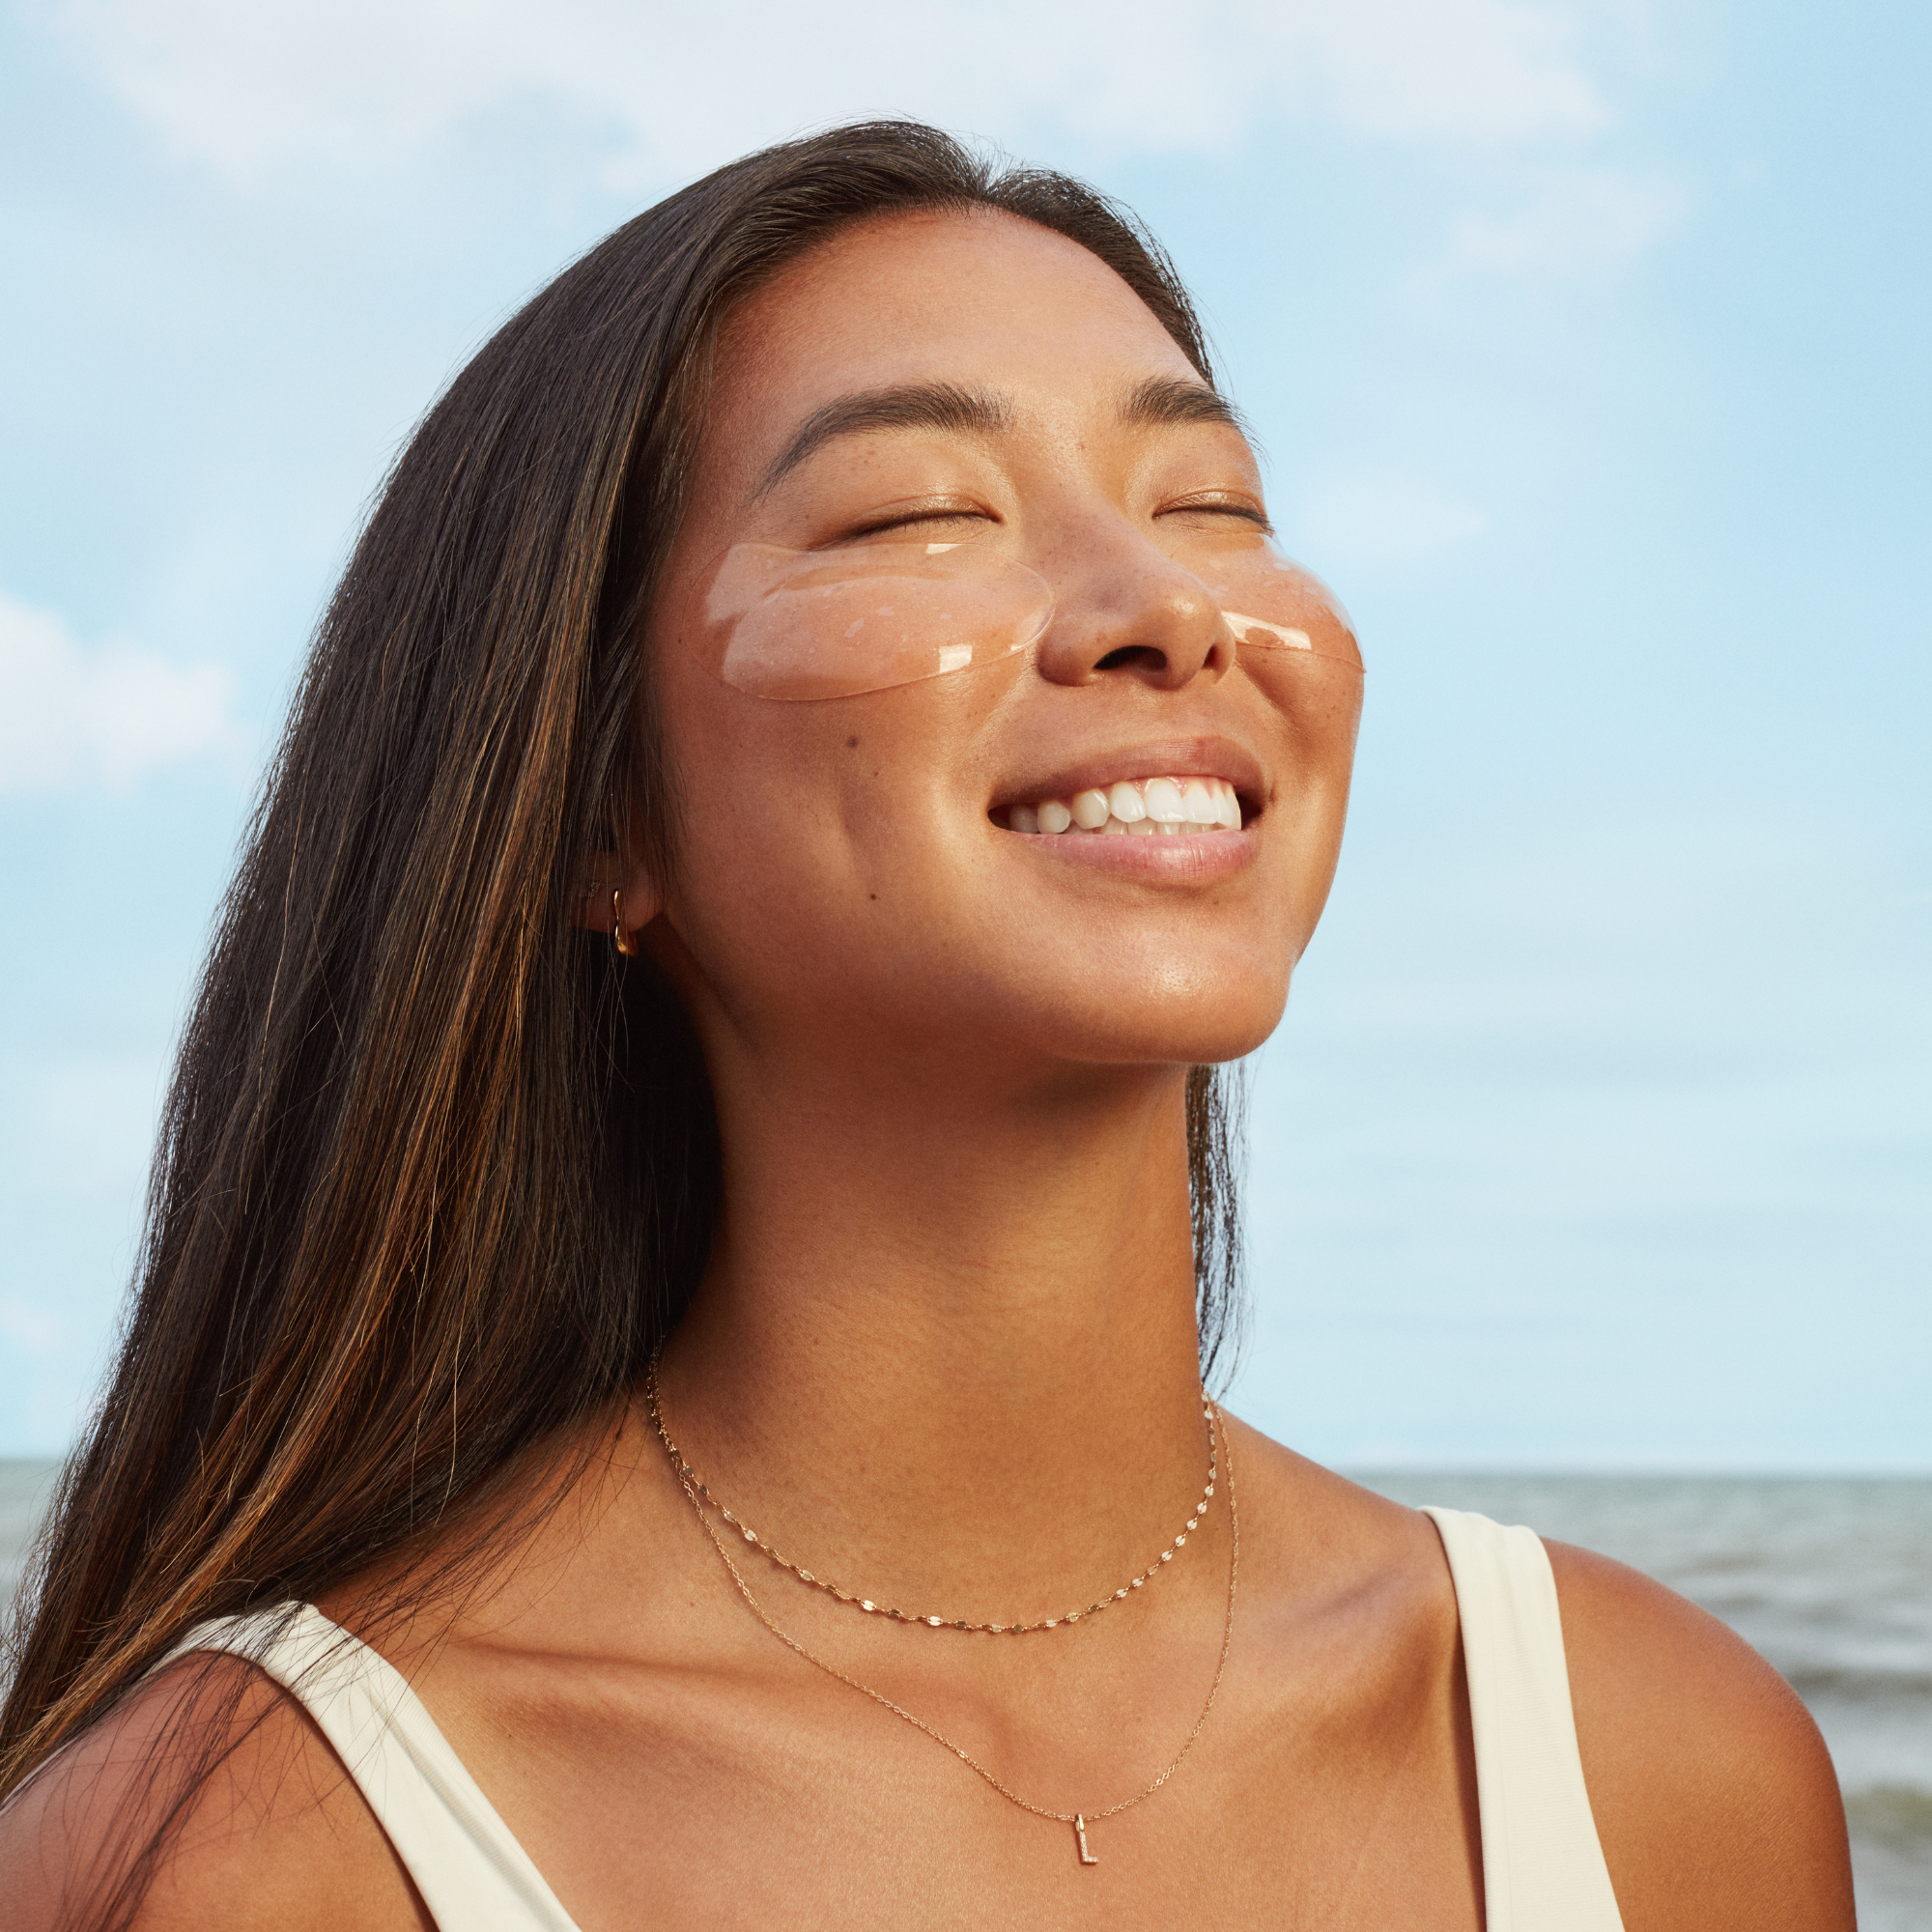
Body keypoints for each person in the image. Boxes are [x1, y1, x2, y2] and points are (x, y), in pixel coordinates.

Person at [0, 122, 1853, 1930]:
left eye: (1210, 503)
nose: (1166, 608)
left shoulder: (1654, 1766)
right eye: (919, 513)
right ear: (596, 817)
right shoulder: (243, 1856)